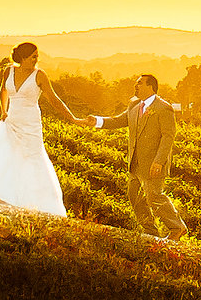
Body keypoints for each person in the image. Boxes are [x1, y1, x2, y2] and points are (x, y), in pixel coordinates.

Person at [0, 42, 76, 216]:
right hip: (12, 121)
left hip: (30, 124)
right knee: (8, 156)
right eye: (33, 56)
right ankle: (4, 196)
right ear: (23, 58)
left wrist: (72, 118)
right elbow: (3, 91)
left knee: (31, 159)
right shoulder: (8, 71)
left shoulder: (39, 75)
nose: (36, 59)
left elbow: (54, 99)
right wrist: (3, 111)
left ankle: (36, 202)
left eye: (37, 56)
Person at [79, 73, 188, 240]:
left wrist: (159, 161)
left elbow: (168, 137)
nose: (136, 86)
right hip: (135, 162)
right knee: (134, 196)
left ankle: (177, 227)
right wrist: (97, 121)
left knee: (154, 196)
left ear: (150, 87)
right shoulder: (134, 105)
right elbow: (118, 121)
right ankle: (150, 231)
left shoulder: (163, 108)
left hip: (153, 162)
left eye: (139, 83)